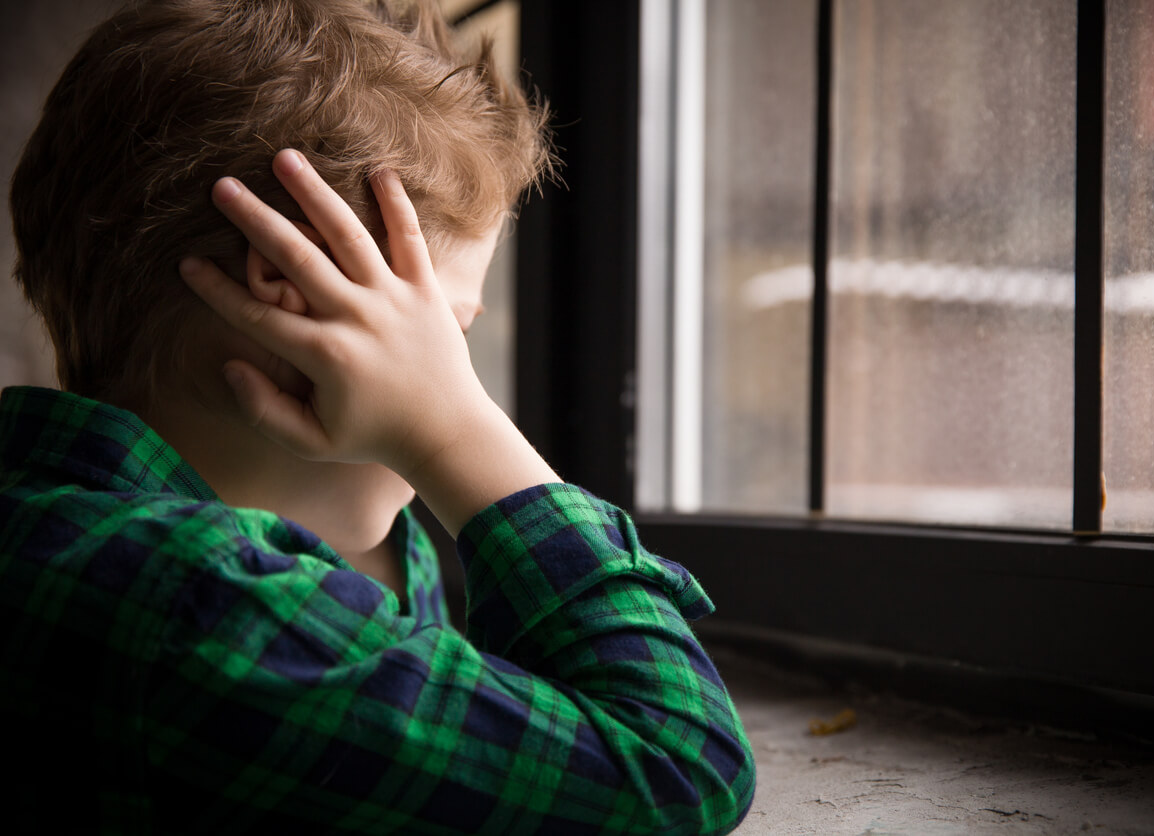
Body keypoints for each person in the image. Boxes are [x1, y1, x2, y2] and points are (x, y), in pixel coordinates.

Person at [0, 0, 755, 832]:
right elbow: (679, 765)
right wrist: (451, 431)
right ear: (295, 291)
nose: (454, 383)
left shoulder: (70, 533)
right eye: (442, 340)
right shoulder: (200, 605)